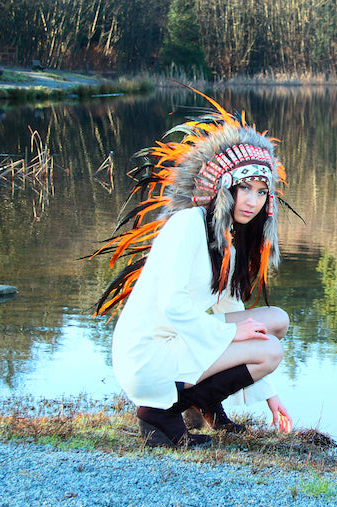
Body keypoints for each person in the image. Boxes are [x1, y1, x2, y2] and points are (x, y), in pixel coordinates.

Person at [92, 95, 294, 447]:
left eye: (262, 192)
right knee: (269, 350)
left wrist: (270, 394)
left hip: (178, 342)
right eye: (244, 187)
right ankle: (159, 414)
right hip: (149, 356)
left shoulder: (228, 237)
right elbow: (173, 305)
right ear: (224, 185)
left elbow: (230, 309)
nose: (251, 200)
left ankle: (203, 402)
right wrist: (233, 335)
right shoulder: (186, 224)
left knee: (275, 319)